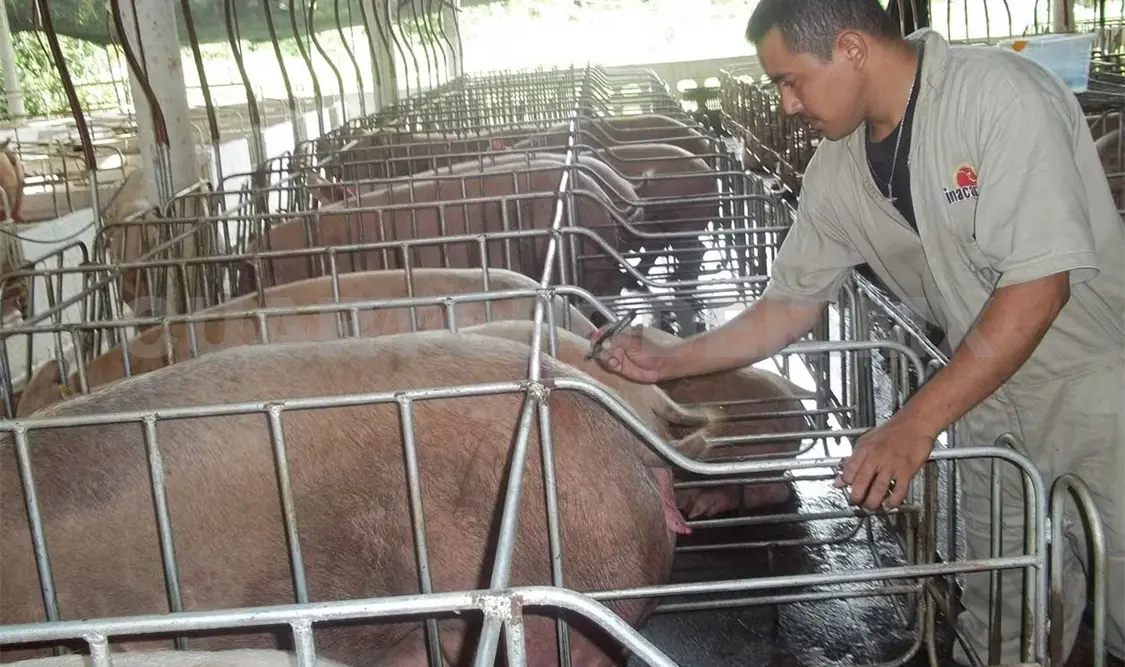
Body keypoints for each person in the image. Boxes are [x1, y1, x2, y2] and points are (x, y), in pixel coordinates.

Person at [590, 1, 1125, 665]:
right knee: (1002, 605)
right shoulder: (838, 167)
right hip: (984, 393)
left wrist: (913, 423)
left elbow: (1039, 284)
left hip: (1096, 390)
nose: (787, 105)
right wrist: (670, 359)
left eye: (790, 80)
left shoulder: (997, 96)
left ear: (850, 49)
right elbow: (789, 303)